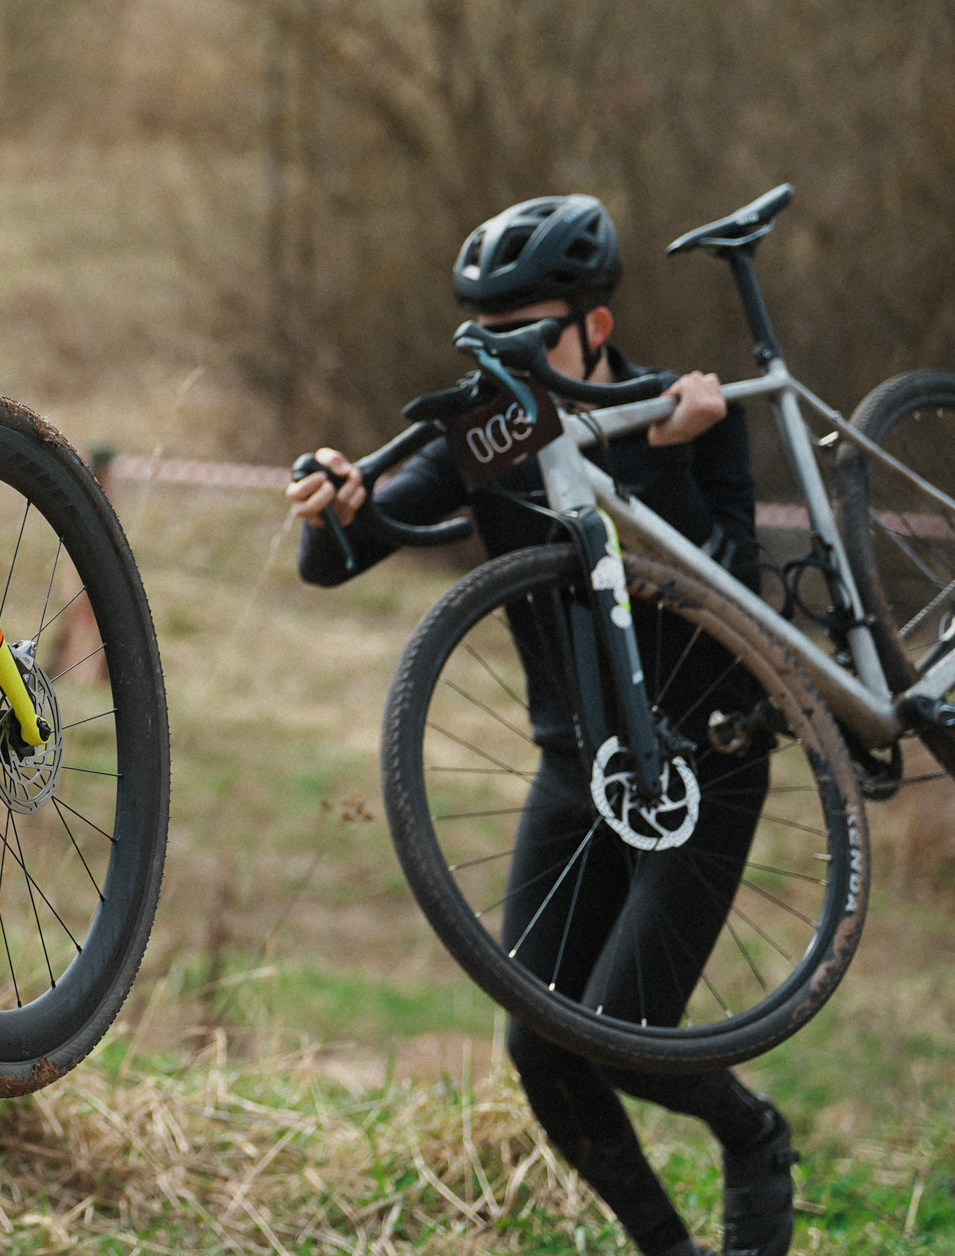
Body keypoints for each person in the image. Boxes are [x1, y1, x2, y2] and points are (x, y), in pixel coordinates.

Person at [285, 195, 799, 1256]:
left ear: (596, 326)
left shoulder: (687, 407)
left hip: (707, 758)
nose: (509, 356)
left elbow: (730, 590)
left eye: (531, 333)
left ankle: (752, 1134)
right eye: (488, 336)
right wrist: (336, 507)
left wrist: (668, 454)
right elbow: (345, 555)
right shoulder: (492, 430)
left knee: (625, 1036)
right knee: (540, 1047)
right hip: (579, 768)